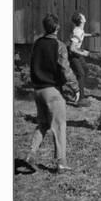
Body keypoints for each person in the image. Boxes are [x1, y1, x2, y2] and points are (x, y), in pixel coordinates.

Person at [25, 13, 79, 173]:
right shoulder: (59, 46)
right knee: (60, 125)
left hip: (38, 90)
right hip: (52, 92)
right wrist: (75, 87)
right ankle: (61, 162)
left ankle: (31, 154)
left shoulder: (37, 44)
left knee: (43, 124)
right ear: (57, 27)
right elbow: (65, 69)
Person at [68, 11, 100, 107]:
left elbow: (82, 34)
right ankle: (81, 99)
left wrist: (91, 35)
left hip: (77, 54)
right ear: (81, 20)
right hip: (73, 55)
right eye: (83, 16)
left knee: (85, 69)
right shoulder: (77, 31)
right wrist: (84, 53)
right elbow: (72, 48)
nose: (84, 16)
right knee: (81, 74)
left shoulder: (79, 30)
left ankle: (78, 88)